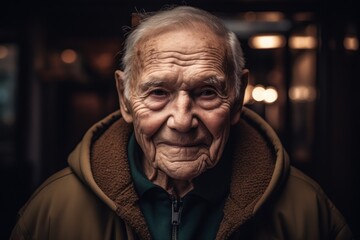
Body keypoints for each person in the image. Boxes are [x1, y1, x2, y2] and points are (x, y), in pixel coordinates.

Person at [10, 5, 353, 240]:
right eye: (158, 92)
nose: (182, 120)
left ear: (237, 96)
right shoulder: (54, 209)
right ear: (125, 97)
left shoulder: (307, 210)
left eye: (206, 92)